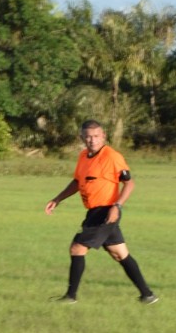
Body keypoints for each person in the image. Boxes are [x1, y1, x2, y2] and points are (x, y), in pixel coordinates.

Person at [45, 120, 158, 305]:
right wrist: (57, 199)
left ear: (103, 136)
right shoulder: (83, 156)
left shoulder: (112, 156)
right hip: (94, 211)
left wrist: (117, 206)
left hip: (106, 211)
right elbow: (77, 182)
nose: (92, 140)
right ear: (81, 138)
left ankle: (70, 297)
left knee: (77, 248)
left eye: (96, 136)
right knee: (119, 254)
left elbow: (129, 183)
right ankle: (147, 295)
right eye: (88, 136)